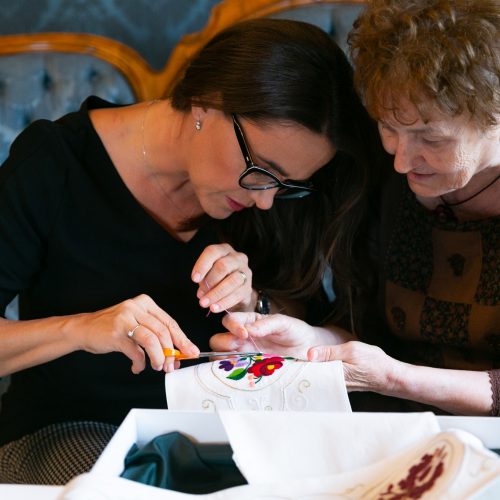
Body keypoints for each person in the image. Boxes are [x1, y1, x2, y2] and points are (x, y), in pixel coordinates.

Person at [0, 19, 382, 484]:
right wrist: (80, 328)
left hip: (231, 433)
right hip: (75, 429)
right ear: (207, 101)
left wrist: (253, 305)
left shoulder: (271, 198)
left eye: (286, 184)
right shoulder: (55, 164)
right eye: (262, 169)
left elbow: (326, 328)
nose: (265, 200)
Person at [213, 0, 500, 417]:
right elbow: (365, 332)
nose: (402, 160)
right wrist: (311, 341)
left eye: (431, 139)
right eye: (389, 127)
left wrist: (397, 378)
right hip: (381, 422)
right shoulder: (381, 175)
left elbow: (385, 370)